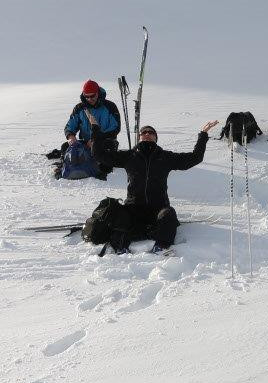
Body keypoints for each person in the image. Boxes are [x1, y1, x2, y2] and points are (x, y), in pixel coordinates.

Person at [90, 116, 218, 253]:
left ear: (155, 138)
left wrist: (203, 134)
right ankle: (120, 248)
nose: (147, 134)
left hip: (158, 210)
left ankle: (161, 247)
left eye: (150, 132)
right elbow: (99, 155)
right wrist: (95, 129)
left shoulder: (165, 157)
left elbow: (195, 158)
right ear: (139, 137)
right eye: (143, 132)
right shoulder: (129, 156)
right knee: (118, 212)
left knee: (168, 213)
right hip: (133, 209)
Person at [52, 80, 121, 179]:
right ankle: (65, 167)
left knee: (106, 164)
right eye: (86, 96)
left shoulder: (110, 106)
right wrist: (71, 136)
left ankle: (99, 171)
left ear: (98, 93)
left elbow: (115, 128)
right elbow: (70, 125)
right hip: (86, 142)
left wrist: (96, 140)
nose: (89, 99)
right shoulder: (79, 108)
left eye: (92, 96)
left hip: (105, 141)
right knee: (65, 146)